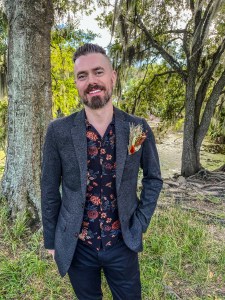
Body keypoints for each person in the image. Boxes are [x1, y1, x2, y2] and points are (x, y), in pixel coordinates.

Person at [41, 43, 163, 300]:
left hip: (123, 241)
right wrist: (52, 241)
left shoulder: (137, 128)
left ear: (113, 76)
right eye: (82, 76)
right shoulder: (58, 132)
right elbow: (50, 189)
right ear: (76, 83)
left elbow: (153, 178)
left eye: (98, 72)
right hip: (77, 246)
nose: (91, 81)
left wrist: (139, 223)